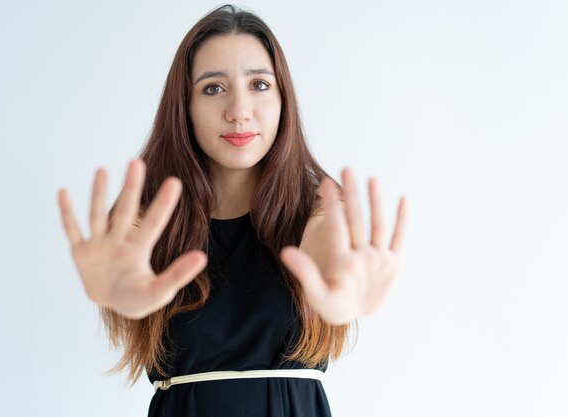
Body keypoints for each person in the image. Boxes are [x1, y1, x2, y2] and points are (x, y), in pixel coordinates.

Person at [57, 4, 408, 416]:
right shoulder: (149, 219)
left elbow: (325, 248)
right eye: (213, 88)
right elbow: (129, 253)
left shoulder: (320, 210)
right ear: (183, 107)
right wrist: (126, 296)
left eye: (259, 84)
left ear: (283, 99)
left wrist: (336, 288)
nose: (239, 110)